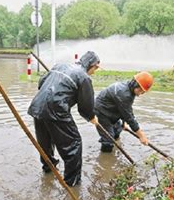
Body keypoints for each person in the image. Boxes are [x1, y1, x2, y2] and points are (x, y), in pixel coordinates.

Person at [27, 51, 100, 186]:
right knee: (74, 143)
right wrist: (91, 117)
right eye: (95, 68)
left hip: (38, 105)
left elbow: (41, 83)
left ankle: (49, 168)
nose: (94, 72)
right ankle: (72, 183)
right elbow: (86, 105)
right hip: (56, 109)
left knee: (45, 140)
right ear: (90, 64)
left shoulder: (59, 66)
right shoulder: (84, 77)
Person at [94, 72, 153, 152]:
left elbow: (125, 109)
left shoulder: (129, 89)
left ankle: (114, 147)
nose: (140, 94)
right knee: (108, 139)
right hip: (102, 111)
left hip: (112, 110)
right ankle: (106, 159)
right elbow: (129, 117)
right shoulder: (124, 94)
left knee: (118, 130)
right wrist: (141, 135)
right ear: (136, 85)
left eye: (142, 93)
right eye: (141, 91)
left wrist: (124, 123)